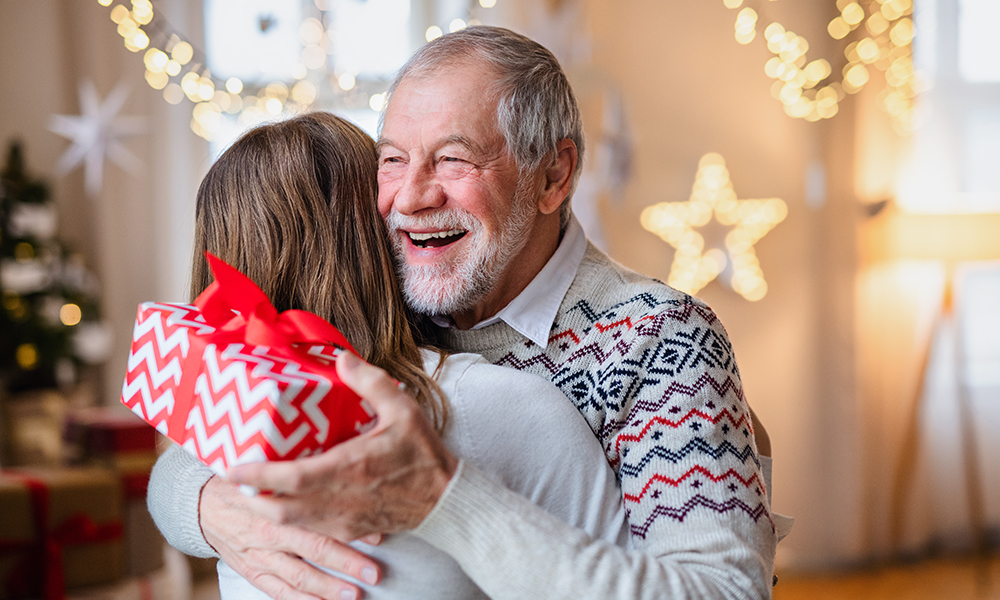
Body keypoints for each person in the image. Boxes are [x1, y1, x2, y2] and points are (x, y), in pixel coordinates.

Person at [151, 25, 781, 600]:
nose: (414, 197)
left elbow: (724, 594)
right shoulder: (390, 300)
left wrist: (443, 498)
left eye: (454, 158)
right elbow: (194, 443)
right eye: (393, 159)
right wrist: (208, 507)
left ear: (553, 176)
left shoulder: (663, 339)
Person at [147, 111, 630, 600]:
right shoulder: (487, 403)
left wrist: (197, 502)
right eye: (392, 174)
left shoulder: (220, 420)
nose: (415, 202)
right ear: (375, 235)